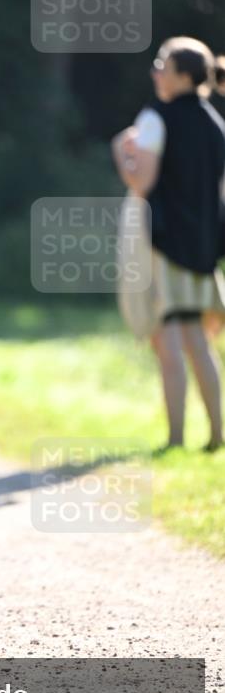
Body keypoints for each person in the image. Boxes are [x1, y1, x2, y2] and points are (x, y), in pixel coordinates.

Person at [113, 36, 225, 452]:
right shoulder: (215, 123)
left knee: (169, 339)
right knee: (197, 339)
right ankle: (216, 435)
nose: (155, 71)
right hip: (201, 248)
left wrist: (119, 152)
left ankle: (176, 439)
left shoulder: (155, 118)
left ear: (181, 75)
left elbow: (141, 182)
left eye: (162, 64)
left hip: (160, 242)